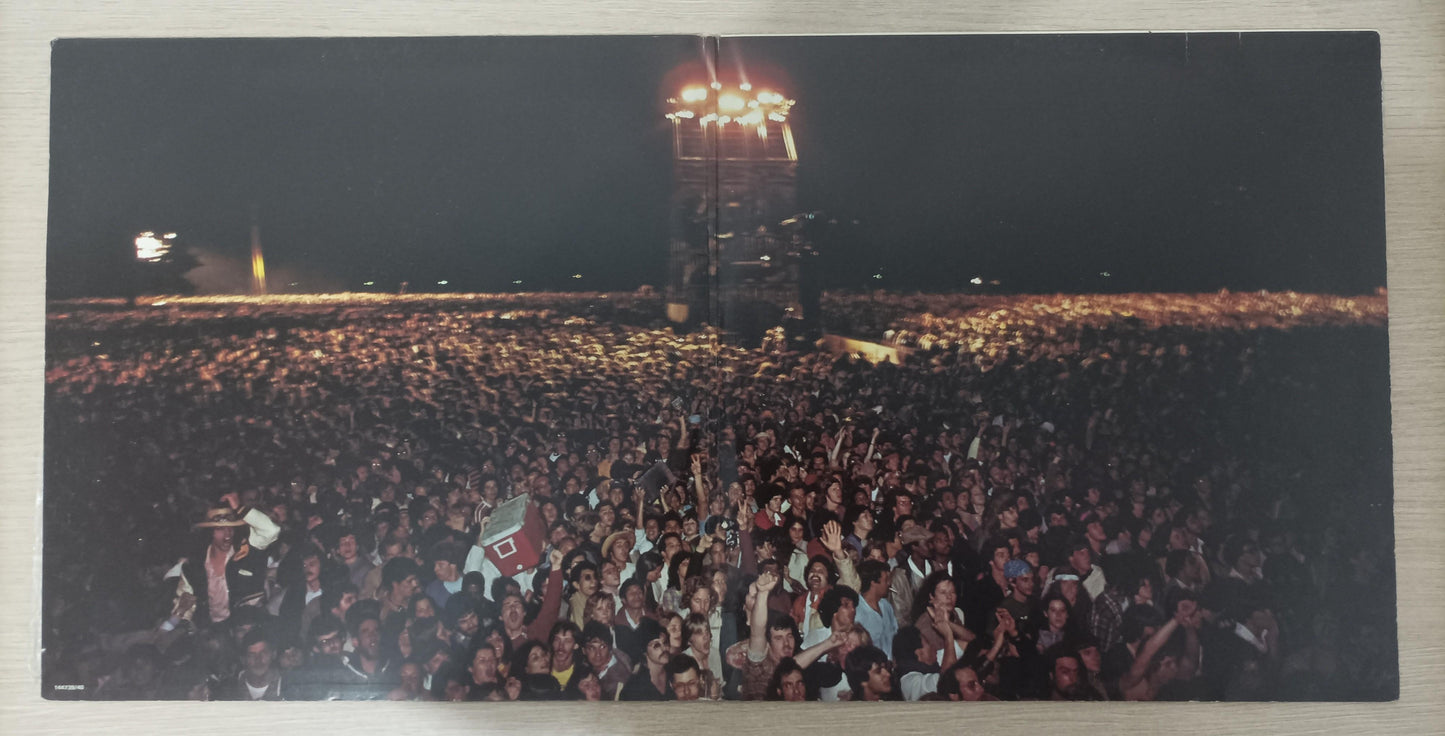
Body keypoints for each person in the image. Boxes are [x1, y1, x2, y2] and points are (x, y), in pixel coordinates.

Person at [176, 494, 282, 627]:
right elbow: (186, 598)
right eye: (220, 529)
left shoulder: (246, 552)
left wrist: (239, 507)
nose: (227, 534)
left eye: (230, 528)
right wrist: (174, 625)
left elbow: (272, 530)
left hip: (244, 626)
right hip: (209, 628)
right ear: (210, 532)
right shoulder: (194, 564)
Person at [853, 560, 899, 658]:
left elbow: (895, 635)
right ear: (873, 582)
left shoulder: (886, 606)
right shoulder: (857, 611)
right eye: (886, 580)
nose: (889, 584)